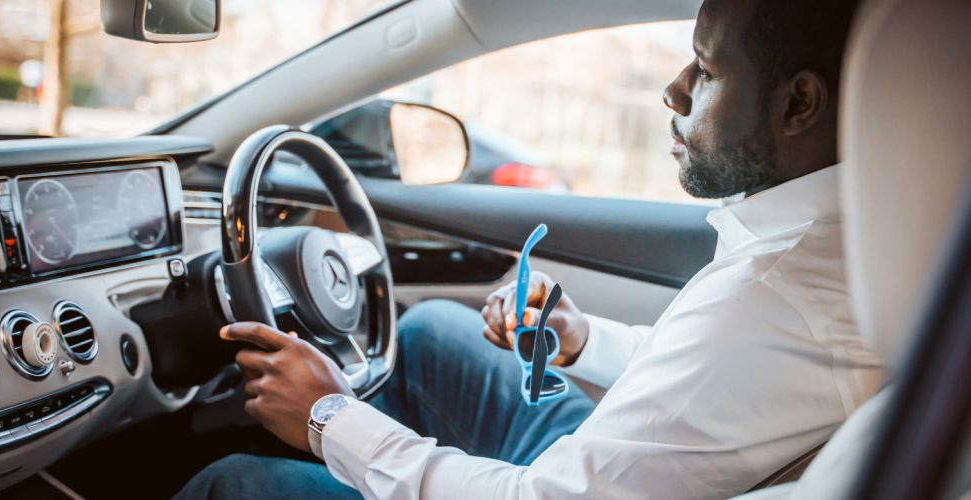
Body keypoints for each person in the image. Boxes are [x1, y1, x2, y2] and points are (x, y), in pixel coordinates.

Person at [177, 0, 881, 497]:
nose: (674, 91)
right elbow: (721, 384)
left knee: (232, 485)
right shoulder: (849, 243)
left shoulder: (775, 295)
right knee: (429, 331)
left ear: (798, 104)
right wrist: (582, 339)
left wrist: (328, 419)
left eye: (706, 68)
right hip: (625, 472)